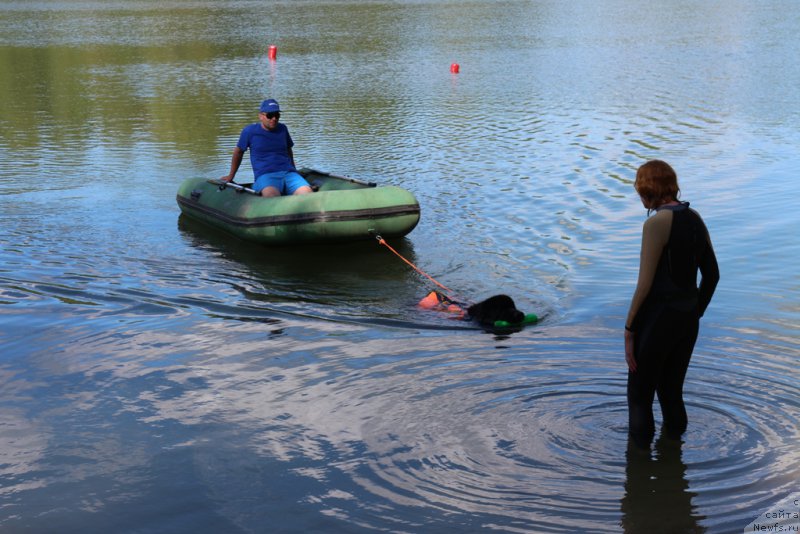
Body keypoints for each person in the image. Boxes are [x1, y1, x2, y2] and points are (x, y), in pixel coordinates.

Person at [624, 160, 719, 448]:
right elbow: (712, 276)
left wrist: (629, 329)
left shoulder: (656, 223)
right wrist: (694, 313)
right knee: (671, 392)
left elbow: (645, 285)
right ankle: (673, 457)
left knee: (640, 396)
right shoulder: (695, 217)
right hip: (687, 318)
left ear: (646, 191)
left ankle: (638, 471)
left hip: (657, 319)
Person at [221, 99, 313, 197]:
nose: (274, 118)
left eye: (277, 115)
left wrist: (294, 170)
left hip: (289, 173)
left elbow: (288, 150)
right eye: (270, 115)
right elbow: (238, 152)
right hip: (266, 175)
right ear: (261, 116)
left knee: (307, 194)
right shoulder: (249, 131)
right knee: (272, 196)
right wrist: (231, 175)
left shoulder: (283, 129)